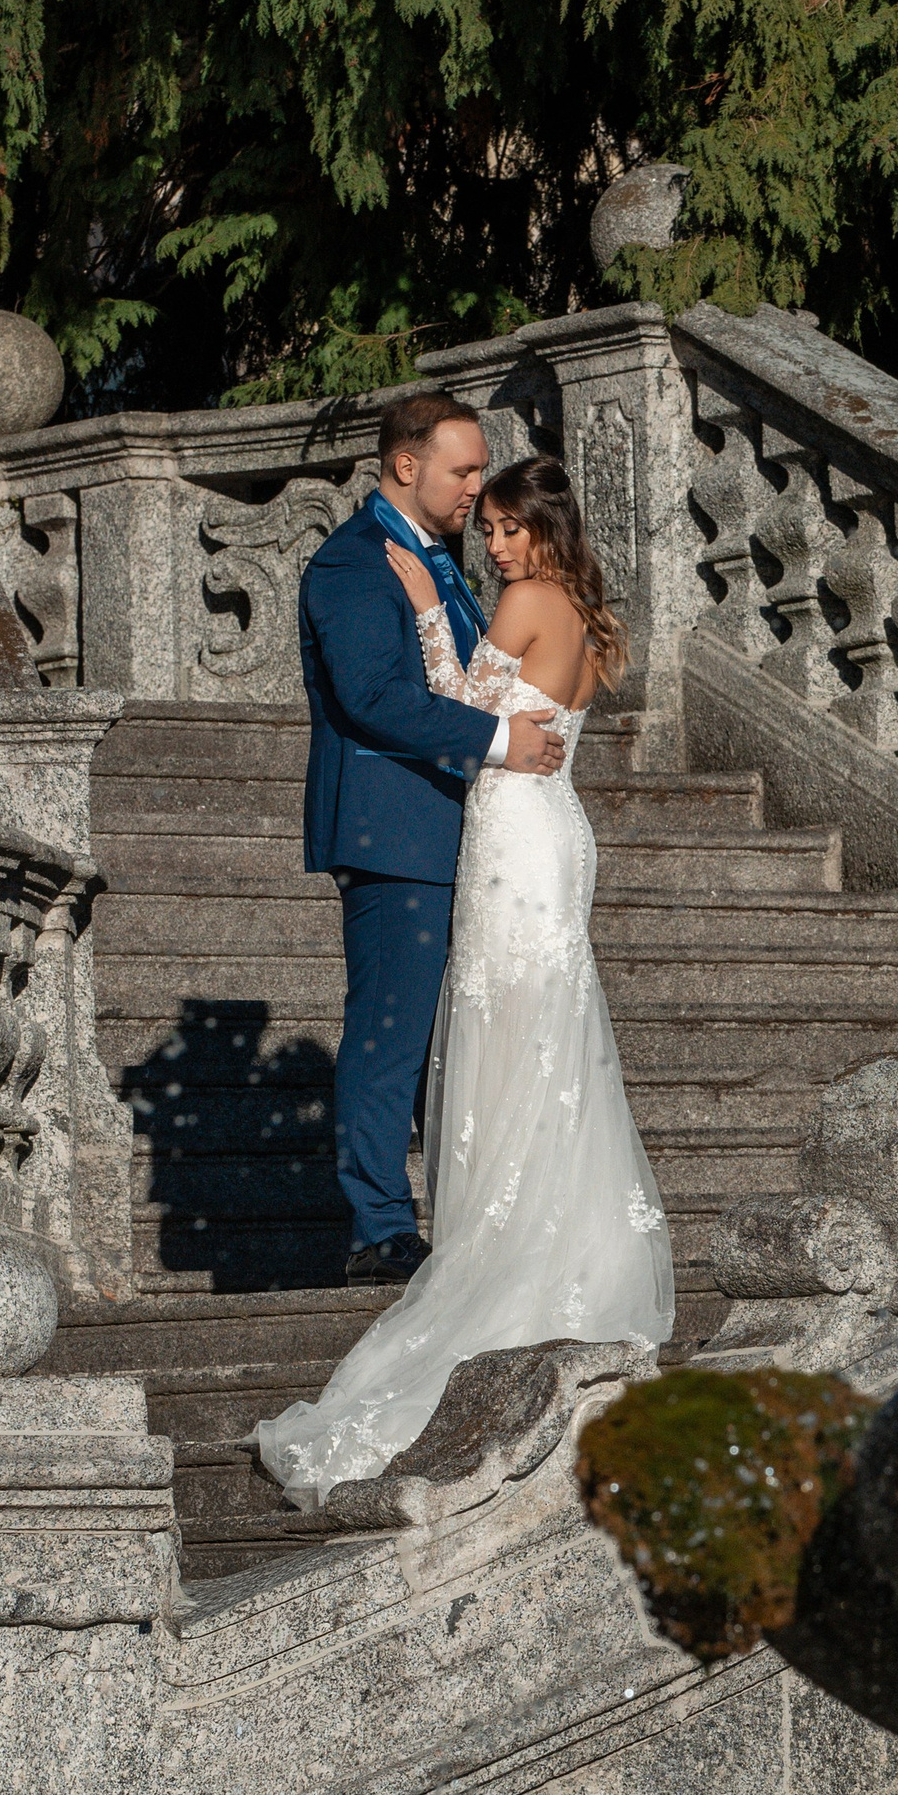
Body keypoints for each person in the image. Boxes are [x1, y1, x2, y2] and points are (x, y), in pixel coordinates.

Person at [257, 454, 675, 1507]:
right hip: (550, 830)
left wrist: (418, 606)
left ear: (541, 531)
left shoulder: (532, 599)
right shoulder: (575, 603)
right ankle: (535, 1224)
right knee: (541, 1032)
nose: (490, 546)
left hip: (517, 843)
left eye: (504, 528)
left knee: (514, 1029)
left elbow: (453, 701)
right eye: (483, 528)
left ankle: (503, 1242)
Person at [298, 390, 569, 1288]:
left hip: (464, 833)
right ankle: (379, 1227)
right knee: (390, 1034)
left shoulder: (443, 563)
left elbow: (460, 680)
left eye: (480, 468)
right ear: (405, 465)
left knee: (455, 1037)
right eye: (463, 469)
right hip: (395, 837)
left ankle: (459, 1215)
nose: (475, 488)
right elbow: (374, 698)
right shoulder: (351, 566)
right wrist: (500, 742)